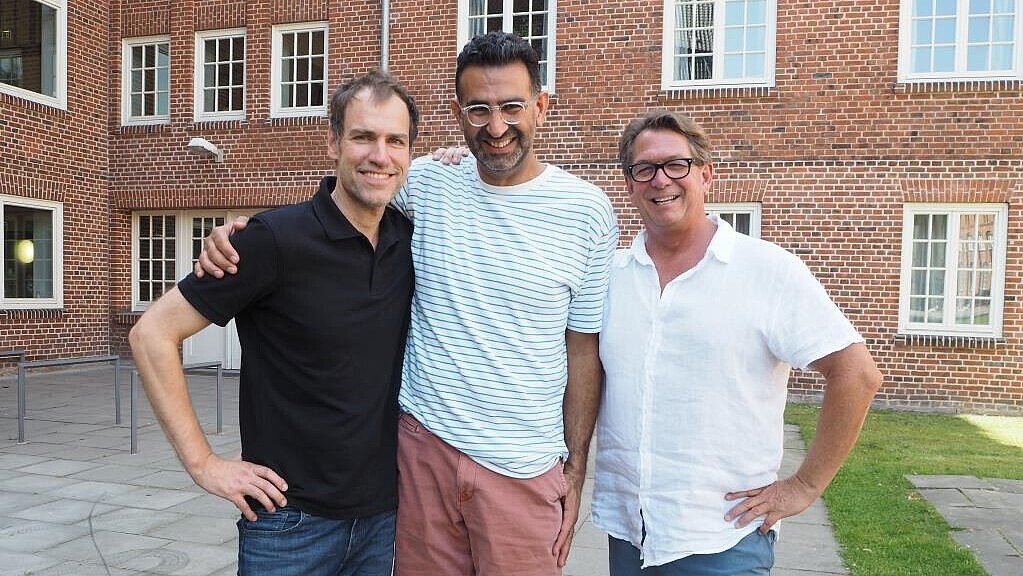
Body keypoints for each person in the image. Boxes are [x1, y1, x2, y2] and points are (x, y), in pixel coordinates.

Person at [196, 32, 619, 575]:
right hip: (422, 458)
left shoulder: (587, 212)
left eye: (512, 106)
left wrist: (575, 470)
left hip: (524, 466)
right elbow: (344, 198)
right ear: (458, 113)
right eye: (478, 109)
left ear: (541, 105)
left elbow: (583, 349)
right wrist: (239, 235)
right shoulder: (426, 181)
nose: (495, 127)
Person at [129, 70, 419, 576]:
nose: (380, 155)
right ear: (333, 142)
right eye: (363, 137)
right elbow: (152, 334)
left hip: (382, 519)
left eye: (396, 140)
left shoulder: (410, 239)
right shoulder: (271, 240)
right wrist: (203, 464)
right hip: (289, 525)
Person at [592, 110, 882, 575]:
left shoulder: (766, 271)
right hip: (631, 533)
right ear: (629, 183)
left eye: (676, 165)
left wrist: (804, 486)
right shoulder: (610, 276)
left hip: (724, 538)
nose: (660, 179)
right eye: (643, 168)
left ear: (706, 174)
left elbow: (857, 373)